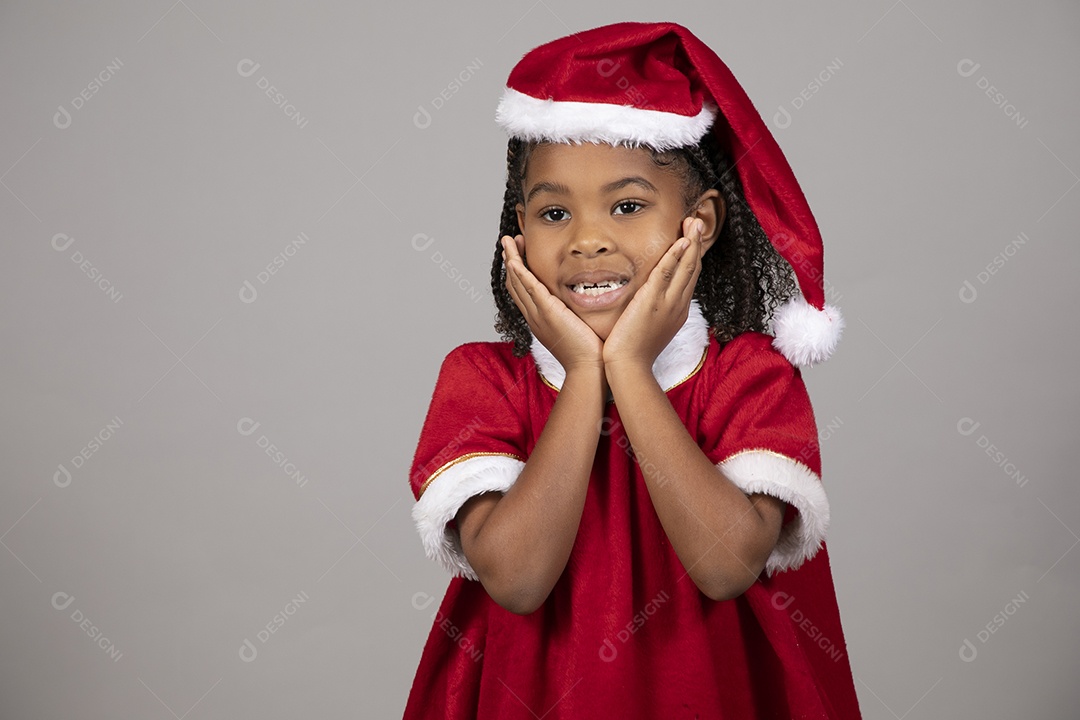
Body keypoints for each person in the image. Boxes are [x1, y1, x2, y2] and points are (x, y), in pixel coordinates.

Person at [404, 21, 860, 719]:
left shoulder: (750, 378)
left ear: (699, 222)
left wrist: (632, 373)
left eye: (627, 205)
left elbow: (725, 565)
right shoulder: (483, 382)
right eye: (554, 211)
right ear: (519, 230)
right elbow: (519, 580)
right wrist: (587, 378)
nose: (587, 239)